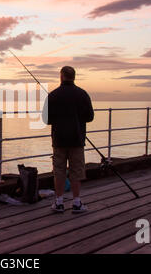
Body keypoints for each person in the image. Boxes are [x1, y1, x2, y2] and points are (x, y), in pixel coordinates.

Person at [42, 66, 94, 213]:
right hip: (77, 139)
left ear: (61, 76)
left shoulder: (53, 95)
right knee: (76, 171)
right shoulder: (82, 94)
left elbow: (46, 119)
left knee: (59, 171)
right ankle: (77, 202)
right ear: (74, 77)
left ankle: (59, 202)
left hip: (58, 140)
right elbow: (90, 117)